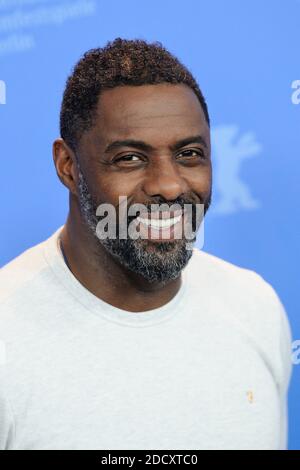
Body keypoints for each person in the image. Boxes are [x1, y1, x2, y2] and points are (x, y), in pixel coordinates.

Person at [0, 37, 292, 450]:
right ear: (68, 166)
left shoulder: (256, 306)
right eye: (130, 158)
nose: (169, 186)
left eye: (189, 154)